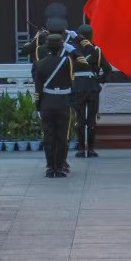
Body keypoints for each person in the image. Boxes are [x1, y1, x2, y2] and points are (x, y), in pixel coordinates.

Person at [34, 23, 80, 177]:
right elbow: (81, 61)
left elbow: (38, 88)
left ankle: (50, 166)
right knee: (62, 136)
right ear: (61, 47)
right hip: (63, 102)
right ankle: (59, 166)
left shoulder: (39, 64)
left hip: (46, 102)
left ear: (47, 47)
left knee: (48, 136)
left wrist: (38, 106)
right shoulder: (67, 62)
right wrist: (71, 47)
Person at [72, 24, 111, 159]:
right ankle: (91, 149)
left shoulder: (72, 51)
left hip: (77, 87)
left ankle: (81, 149)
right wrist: (98, 81)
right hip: (92, 87)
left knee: (79, 119)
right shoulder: (96, 51)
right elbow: (107, 69)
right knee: (92, 119)